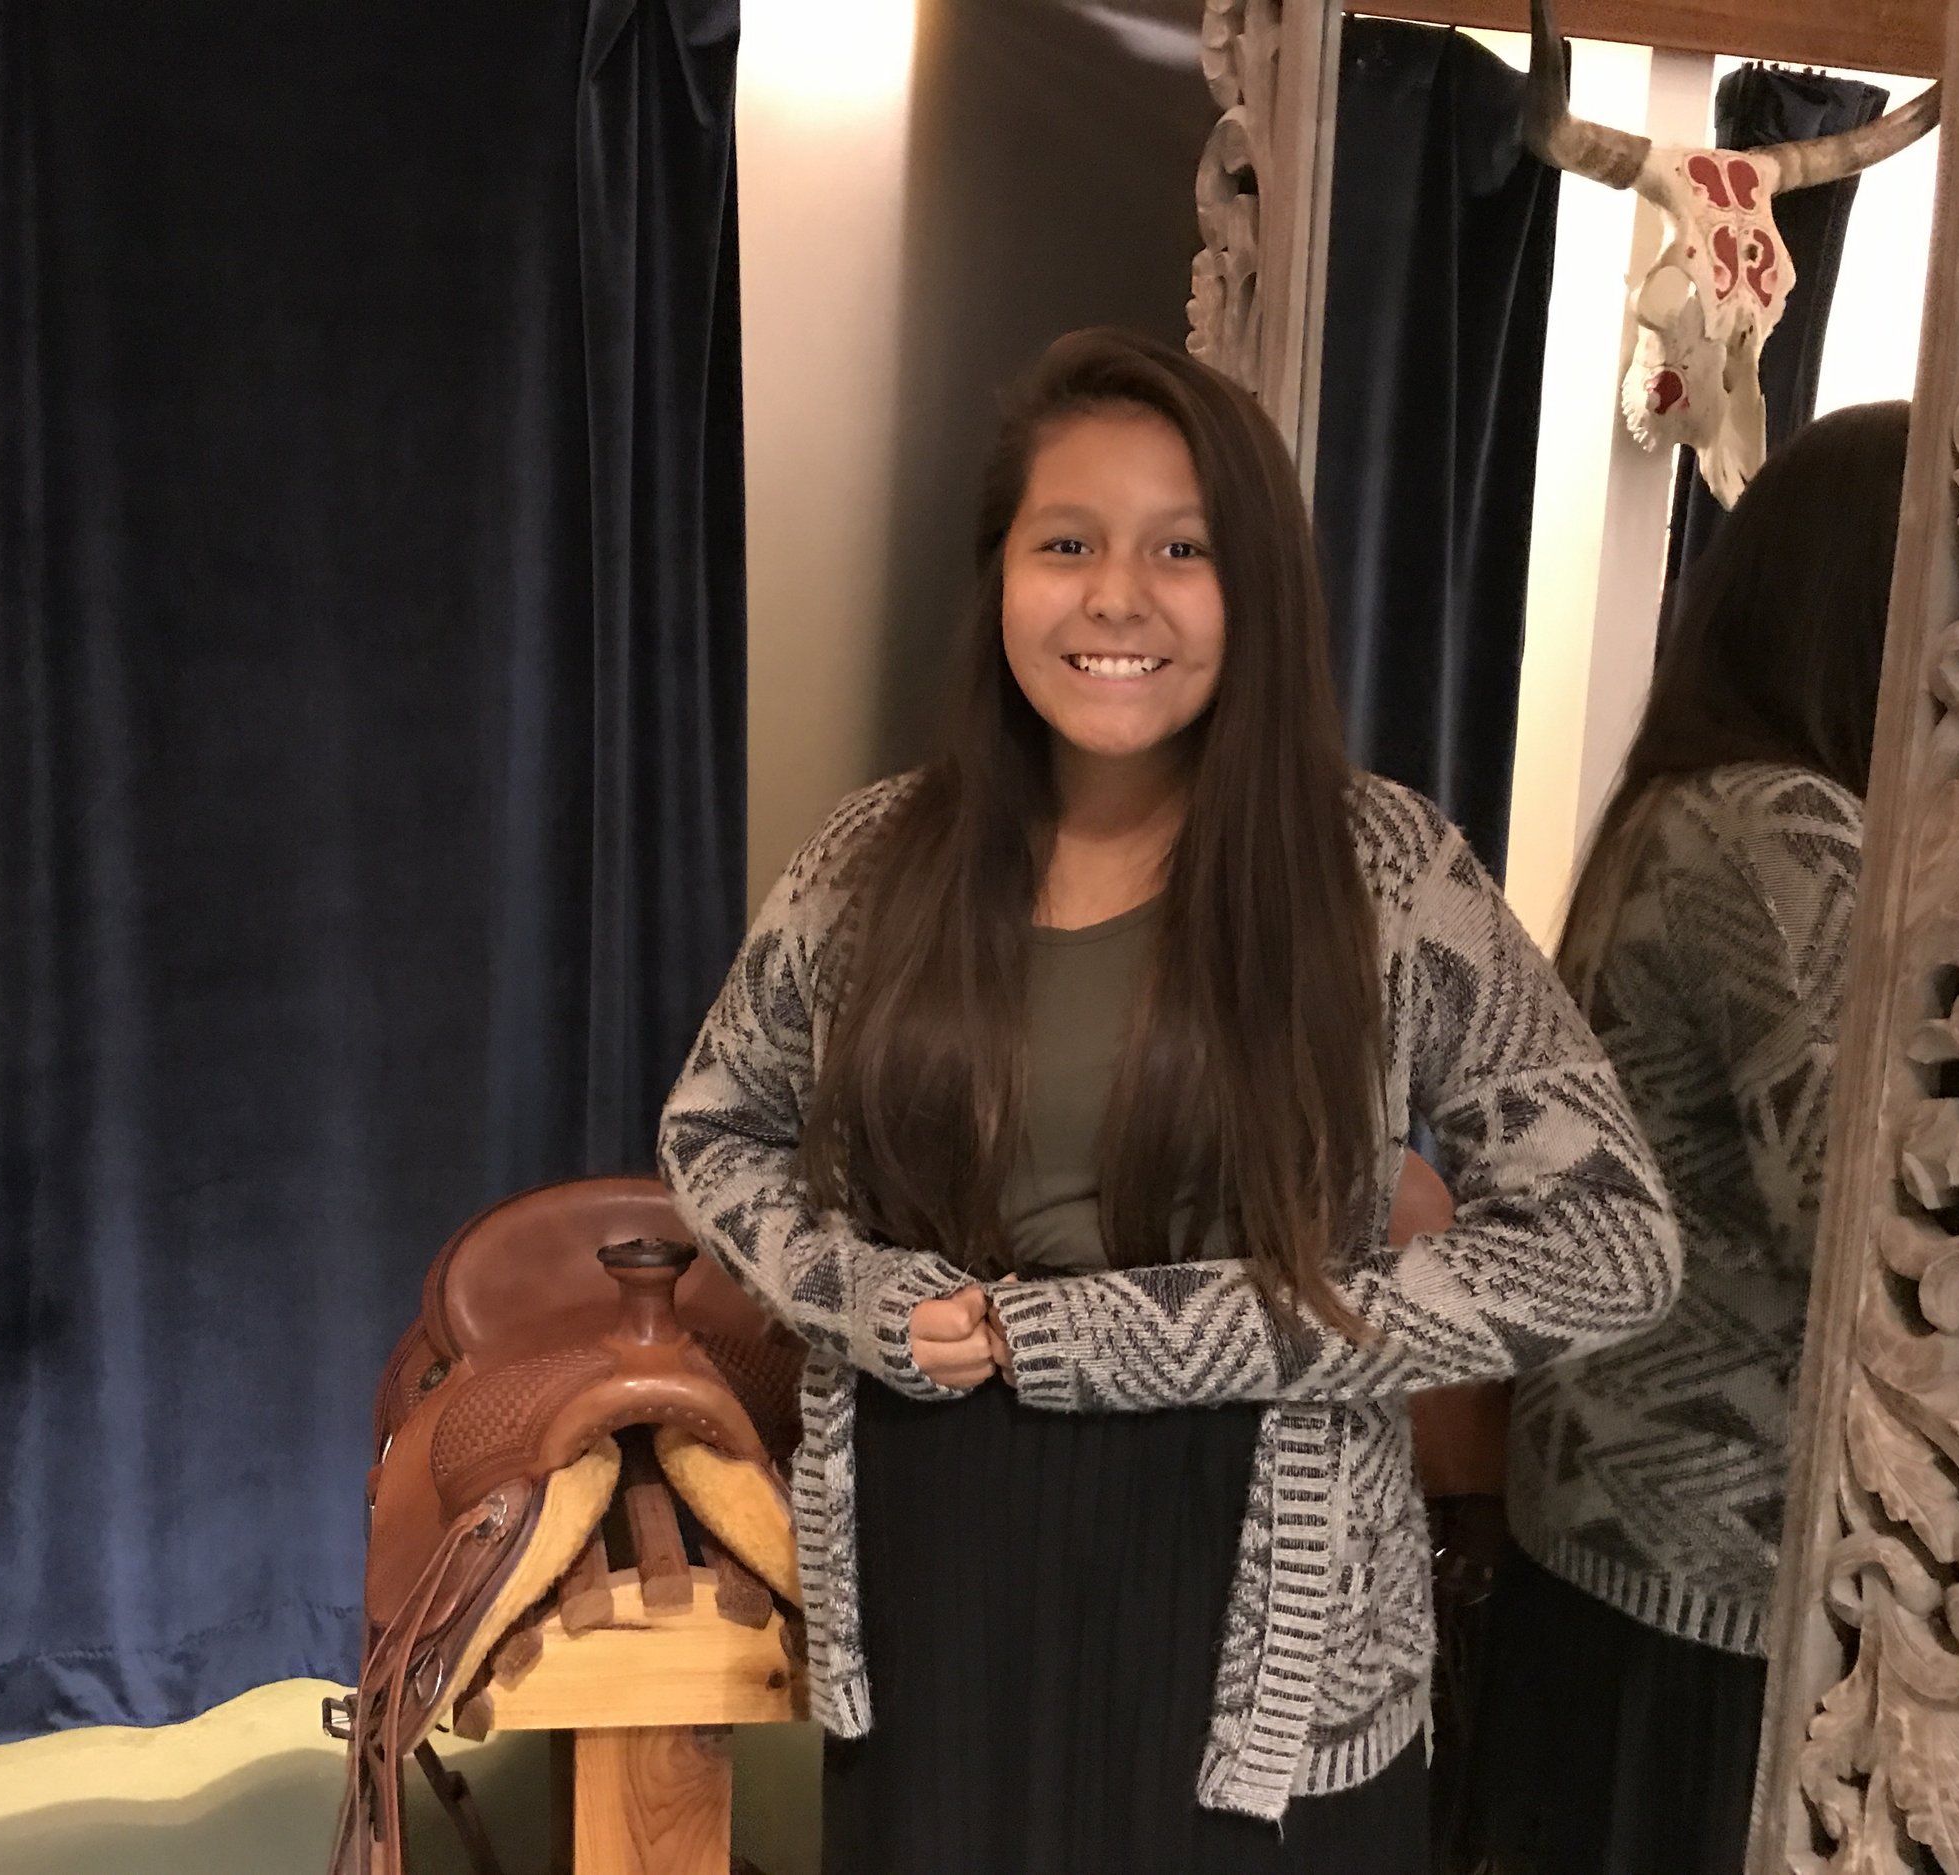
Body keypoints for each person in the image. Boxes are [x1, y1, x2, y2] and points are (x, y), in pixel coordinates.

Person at [657, 327, 1680, 1875]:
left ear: (1255, 589)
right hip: (938, 1565)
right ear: (1000, 574)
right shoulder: (875, 858)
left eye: (1182, 550)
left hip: (1263, 1601)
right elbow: (714, 1130)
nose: (1116, 597)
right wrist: (852, 1294)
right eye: (1066, 543)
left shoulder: (1380, 873)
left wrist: (1167, 1330)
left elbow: (1611, 1242)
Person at [1475, 400, 1911, 1875]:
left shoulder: (1692, 804)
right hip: (1711, 1573)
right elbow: (1863, 1216)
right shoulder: (1782, 829)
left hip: (1630, 1543)